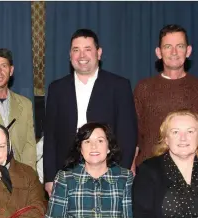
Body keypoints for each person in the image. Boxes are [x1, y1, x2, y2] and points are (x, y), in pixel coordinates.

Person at [43, 28, 137, 196]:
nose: (82, 55)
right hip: (66, 172)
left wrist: (120, 174)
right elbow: (50, 137)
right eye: (76, 50)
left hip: (108, 171)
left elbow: (127, 134)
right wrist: (49, 177)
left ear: (98, 53)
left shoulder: (119, 86)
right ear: (70, 54)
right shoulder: (57, 88)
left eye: (88, 49)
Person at [134, 24, 198, 167]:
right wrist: (132, 165)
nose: (174, 52)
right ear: (158, 52)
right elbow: (134, 134)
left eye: (180, 46)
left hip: (191, 171)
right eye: (167, 47)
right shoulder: (144, 88)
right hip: (149, 171)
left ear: (188, 50)